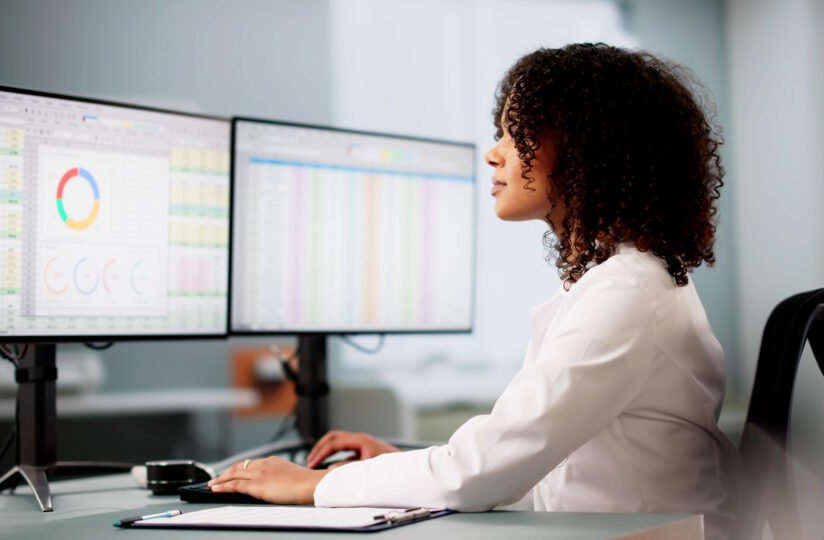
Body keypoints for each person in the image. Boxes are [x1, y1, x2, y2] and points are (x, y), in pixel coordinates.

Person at [209, 43, 737, 539]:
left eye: (517, 132)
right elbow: (537, 463)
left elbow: (481, 473)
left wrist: (315, 485)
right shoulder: (628, 282)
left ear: (586, 149)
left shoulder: (626, 293)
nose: (494, 154)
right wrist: (398, 466)